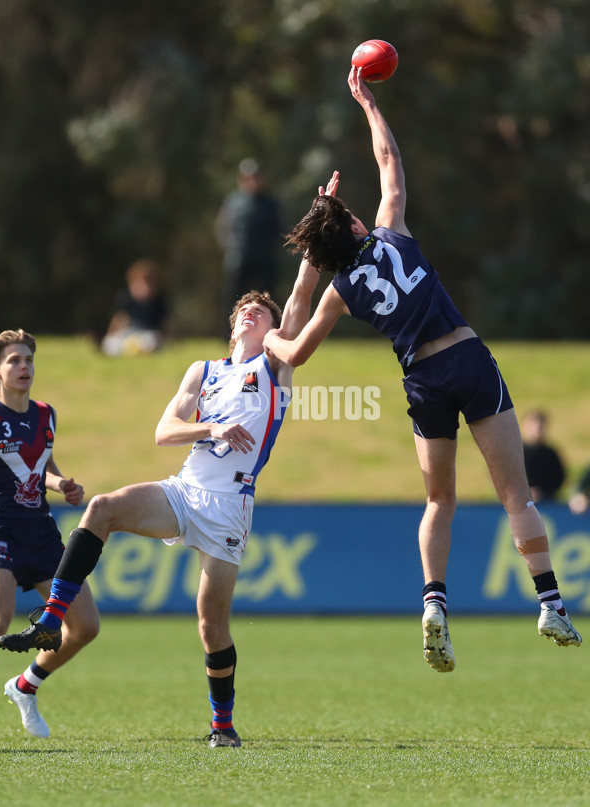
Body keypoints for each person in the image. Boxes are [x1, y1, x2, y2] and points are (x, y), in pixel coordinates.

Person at [263, 66, 582, 673]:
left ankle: (434, 604)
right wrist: (368, 104)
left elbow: (298, 349)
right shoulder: (393, 234)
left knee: (439, 499)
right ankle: (550, 601)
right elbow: (388, 160)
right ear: (357, 225)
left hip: (422, 381)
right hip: (465, 356)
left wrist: (272, 345)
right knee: (515, 493)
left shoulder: (341, 290)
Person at [0, 257, 321, 746]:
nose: (253, 313)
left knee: (211, 624)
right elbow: (164, 431)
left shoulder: (274, 366)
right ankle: (49, 622)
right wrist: (209, 426)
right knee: (102, 508)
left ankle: (222, 726)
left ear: (275, 329)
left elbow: (301, 294)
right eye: (245, 309)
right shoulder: (204, 370)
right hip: (184, 491)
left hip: (231, 504)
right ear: (232, 325)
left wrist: (316, 240)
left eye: (263, 312)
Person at [0, 329, 100, 737]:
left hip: (42, 534)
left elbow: (43, 466)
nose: (24, 367)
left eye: (28, 360)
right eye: (15, 360)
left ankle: (25, 685)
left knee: (85, 626)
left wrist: (61, 485)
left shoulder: (45, 414)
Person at [216, 158, 285, 337]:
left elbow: (279, 230)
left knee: (269, 298)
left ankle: (272, 333)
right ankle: (229, 335)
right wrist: (230, 248)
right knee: (233, 299)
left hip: (264, 259)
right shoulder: (233, 201)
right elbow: (222, 227)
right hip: (238, 259)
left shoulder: (270, 203)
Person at [101, 259, 168, 356]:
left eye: (148, 283)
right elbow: (120, 319)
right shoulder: (126, 298)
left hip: (148, 334)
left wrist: (170, 339)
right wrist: (110, 335)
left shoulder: (158, 300)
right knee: (111, 343)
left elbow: (165, 324)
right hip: (129, 333)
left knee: (153, 341)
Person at [521, 410, 566, 503]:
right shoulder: (516, 452)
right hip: (519, 499)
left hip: (547, 499)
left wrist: (541, 491)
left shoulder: (550, 453)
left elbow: (559, 478)